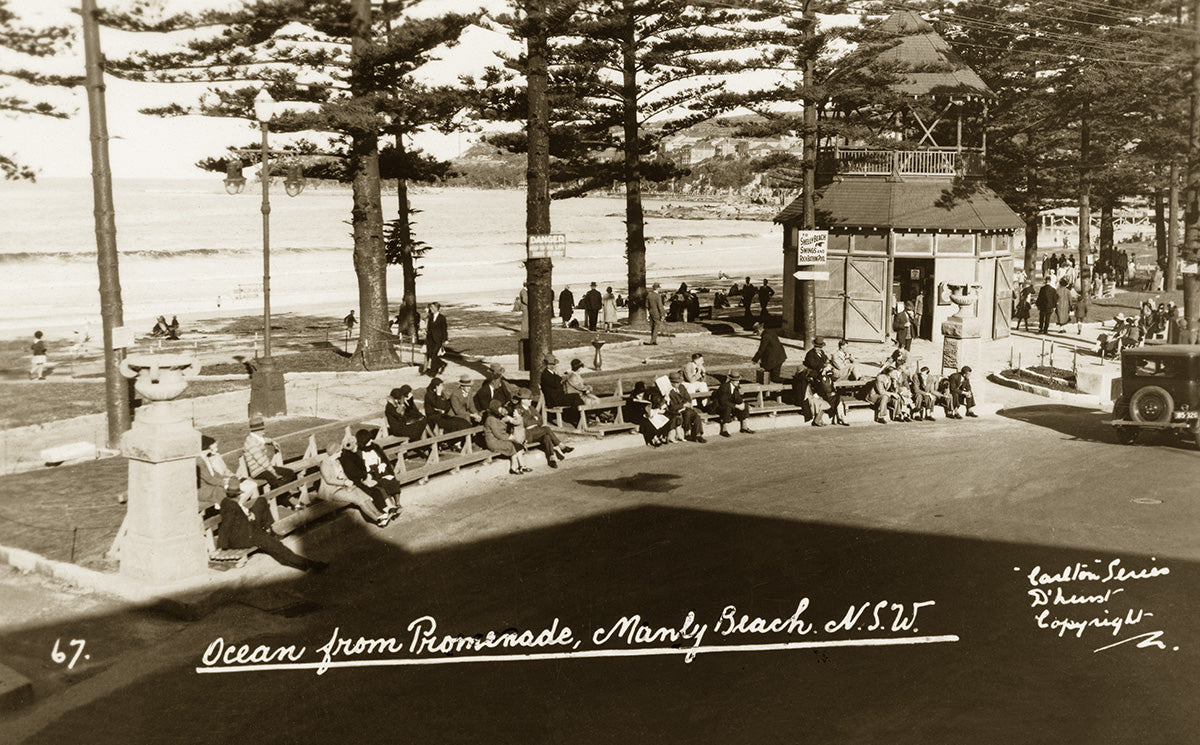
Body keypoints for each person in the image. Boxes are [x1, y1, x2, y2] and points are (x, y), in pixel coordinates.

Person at [214, 489, 327, 572]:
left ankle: (268, 529)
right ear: (238, 495)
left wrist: (249, 514)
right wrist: (222, 546)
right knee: (278, 548)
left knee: (261, 501)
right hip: (248, 536)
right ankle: (309, 565)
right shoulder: (231, 508)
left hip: (249, 526)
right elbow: (226, 526)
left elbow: (236, 519)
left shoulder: (229, 503)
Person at [317, 437, 389, 526]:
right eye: (339, 451)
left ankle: (379, 514)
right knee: (357, 498)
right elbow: (328, 480)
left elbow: (343, 475)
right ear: (335, 453)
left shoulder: (337, 461)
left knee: (361, 493)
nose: (341, 453)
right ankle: (377, 519)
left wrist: (348, 483)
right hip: (331, 491)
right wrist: (344, 483)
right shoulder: (325, 464)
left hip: (342, 487)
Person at [340, 429, 402, 517]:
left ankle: (397, 504)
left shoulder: (375, 447)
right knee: (380, 486)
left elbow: (384, 459)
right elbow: (360, 467)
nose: (371, 441)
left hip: (381, 470)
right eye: (369, 441)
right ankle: (391, 507)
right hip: (371, 474)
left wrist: (385, 468)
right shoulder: (358, 452)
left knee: (392, 480)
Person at [512, 388, 571, 468]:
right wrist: (534, 419)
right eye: (529, 399)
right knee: (546, 429)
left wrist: (533, 421)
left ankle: (552, 458)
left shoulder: (531, 408)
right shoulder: (518, 409)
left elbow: (541, 421)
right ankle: (561, 446)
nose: (531, 401)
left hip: (536, 432)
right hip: (526, 434)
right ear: (523, 400)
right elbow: (526, 424)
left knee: (546, 437)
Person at [242, 416, 298, 498]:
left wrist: (272, 441)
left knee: (290, 473)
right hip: (257, 471)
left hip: (265, 468)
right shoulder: (251, 443)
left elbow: (264, 440)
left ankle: (286, 496)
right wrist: (274, 472)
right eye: (262, 430)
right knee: (275, 481)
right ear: (256, 431)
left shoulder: (256, 438)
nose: (264, 432)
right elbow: (262, 460)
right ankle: (288, 499)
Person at [197, 435, 260, 505]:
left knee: (245, 486)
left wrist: (226, 480)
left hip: (213, 486)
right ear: (206, 447)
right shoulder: (199, 460)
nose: (213, 449)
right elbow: (209, 479)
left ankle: (238, 506)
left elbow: (214, 474)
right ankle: (237, 507)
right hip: (205, 489)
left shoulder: (206, 458)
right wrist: (225, 482)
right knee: (233, 490)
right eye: (211, 447)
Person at [483, 399, 531, 474]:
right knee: (512, 446)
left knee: (517, 445)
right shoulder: (491, 419)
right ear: (495, 409)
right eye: (499, 408)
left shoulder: (496, 417)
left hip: (498, 439)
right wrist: (510, 437)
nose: (501, 409)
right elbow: (498, 434)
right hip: (493, 442)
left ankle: (521, 466)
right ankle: (514, 468)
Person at [541, 354, 584, 426]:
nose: (555, 365)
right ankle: (577, 418)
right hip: (553, 400)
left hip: (558, 397)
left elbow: (560, 380)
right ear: (548, 365)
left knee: (576, 397)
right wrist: (561, 376)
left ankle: (580, 419)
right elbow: (556, 384)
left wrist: (561, 376)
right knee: (575, 397)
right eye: (553, 364)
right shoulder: (545, 375)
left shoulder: (553, 373)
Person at [667, 371, 706, 443]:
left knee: (696, 416)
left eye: (678, 382)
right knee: (687, 414)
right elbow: (672, 406)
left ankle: (698, 434)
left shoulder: (682, 387)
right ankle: (687, 432)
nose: (677, 384)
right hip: (677, 410)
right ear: (671, 383)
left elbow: (687, 398)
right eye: (675, 383)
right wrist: (683, 405)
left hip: (686, 408)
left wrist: (686, 403)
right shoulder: (669, 391)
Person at [424, 302, 448, 377]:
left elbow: (444, 329)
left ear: (437, 308)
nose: (431, 309)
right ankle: (441, 364)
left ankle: (433, 372)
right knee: (431, 354)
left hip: (438, 339)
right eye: (430, 308)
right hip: (430, 339)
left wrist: (445, 339)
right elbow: (429, 327)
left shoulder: (442, 318)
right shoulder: (430, 317)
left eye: (433, 308)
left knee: (434, 355)